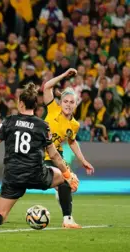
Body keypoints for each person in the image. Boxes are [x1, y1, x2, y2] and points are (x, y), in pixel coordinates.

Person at [0, 83, 79, 228]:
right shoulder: (43, 126)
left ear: (20, 103)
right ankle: (68, 220)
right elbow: (54, 155)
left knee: (1, 215)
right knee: (63, 180)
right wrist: (68, 174)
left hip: (12, 176)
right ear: (35, 106)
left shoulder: (9, 121)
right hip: (36, 174)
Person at [42, 68, 95, 228]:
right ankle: (66, 215)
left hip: (56, 156)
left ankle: (67, 219)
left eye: (72, 102)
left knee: (68, 183)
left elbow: (72, 142)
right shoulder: (53, 109)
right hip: (38, 154)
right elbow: (46, 87)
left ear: (76, 104)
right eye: (66, 101)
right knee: (64, 182)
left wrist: (83, 160)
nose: (68, 105)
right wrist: (64, 75)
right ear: (61, 102)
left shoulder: (74, 124)